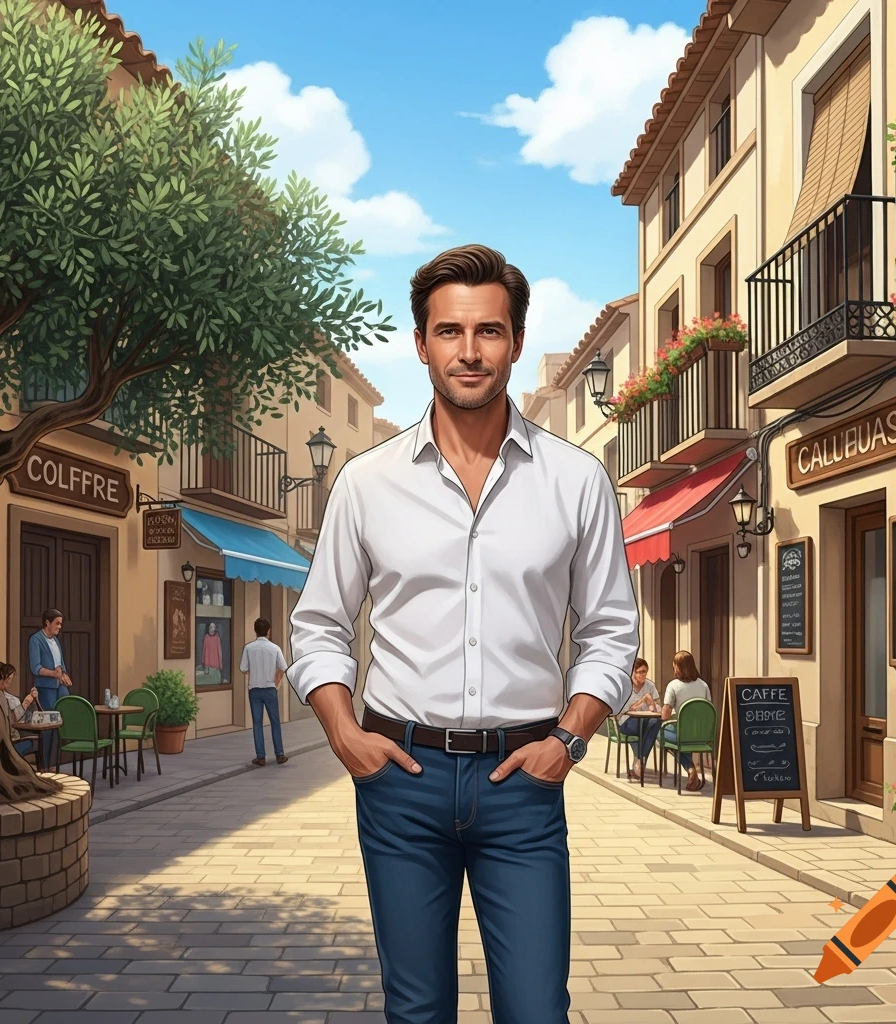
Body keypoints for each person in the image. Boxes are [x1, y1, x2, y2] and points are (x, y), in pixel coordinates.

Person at [288, 244, 640, 1024]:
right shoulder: (367, 483)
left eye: (489, 331)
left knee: (536, 1010)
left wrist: (569, 740)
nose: (469, 351)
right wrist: (344, 734)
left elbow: (612, 632)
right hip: (400, 781)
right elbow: (317, 626)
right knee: (415, 1011)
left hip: (524, 784)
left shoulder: (577, 482)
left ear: (514, 341)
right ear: (421, 344)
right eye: (450, 332)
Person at [660, 650, 713, 791]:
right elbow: (708, 710)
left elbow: (664, 715)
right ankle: (691, 769)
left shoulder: (673, 685)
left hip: (682, 733)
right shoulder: (703, 685)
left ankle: (690, 769)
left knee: (661, 735)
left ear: (677, 666)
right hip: (702, 736)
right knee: (683, 739)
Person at [239, 617, 288, 767]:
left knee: (257, 723)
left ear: (255, 630)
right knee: (275, 722)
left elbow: (243, 668)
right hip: (270, 688)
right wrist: (275, 681)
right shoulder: (275, 648)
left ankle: (261, 757)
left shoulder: (248, 648)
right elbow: (283, 667)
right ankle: (279, 754)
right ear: (268, 631)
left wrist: (256, 673)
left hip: (254, 689)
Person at [28, 608, 72, 765]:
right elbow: (36, 667)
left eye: (60, 624)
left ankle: (55, 762)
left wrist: (64, 675)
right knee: (48, 726)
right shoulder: (36, 640)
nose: (59, 626)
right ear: (47, 622)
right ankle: (45, 764)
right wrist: (54, 674)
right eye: (57, 623)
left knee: (62, 723)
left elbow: (60, 663)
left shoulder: (56, 640)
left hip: (59, 687)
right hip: (46, 688)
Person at [615, 657, 660, 781]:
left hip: (645, 721)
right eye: (639, 672)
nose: (642, 675)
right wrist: (643, 700)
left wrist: (652, 703)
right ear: (633, 672)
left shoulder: (650, 685)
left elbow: (658, 707)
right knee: (643, 726)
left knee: (656, 722)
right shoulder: (625, 687)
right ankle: (641, 760)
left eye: (644, 671)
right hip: (626, 722)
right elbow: (626, 710)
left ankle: (639, 760)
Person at [0, 662, 38, 758]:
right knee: (34, 742)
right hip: (8, 743)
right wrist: (25, 704)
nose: (9, 683)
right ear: (2, 678)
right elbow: (9, 722)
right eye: (8, 680)